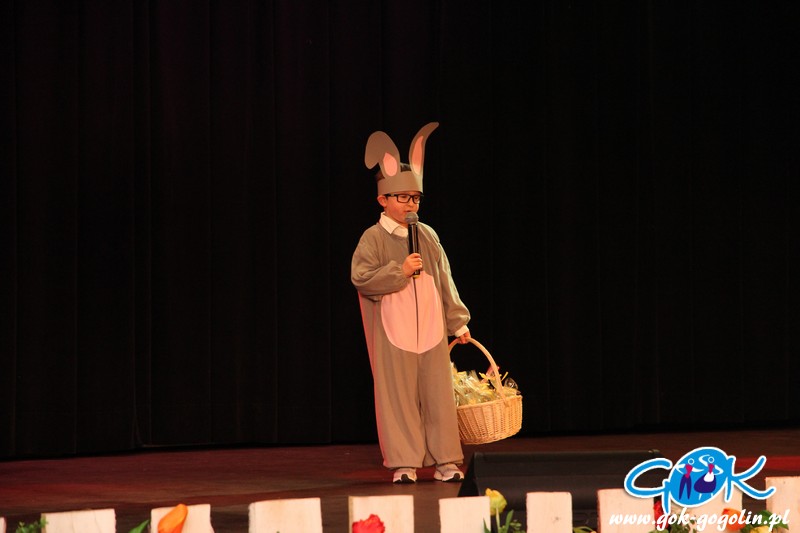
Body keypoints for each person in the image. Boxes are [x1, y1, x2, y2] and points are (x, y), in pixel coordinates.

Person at [351, 122, 472, 483]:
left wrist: (458, 322)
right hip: (394, 332)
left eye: (415, 198)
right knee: (398, 398)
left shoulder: (427, 235)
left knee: (438, 397)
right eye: (402, 198)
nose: (410, 204)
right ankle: (404, 463)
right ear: (383, 200)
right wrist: (399, 271)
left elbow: (444, 279)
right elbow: (361, 278)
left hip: (431, 330)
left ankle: (446, 461)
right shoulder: (373, 238)